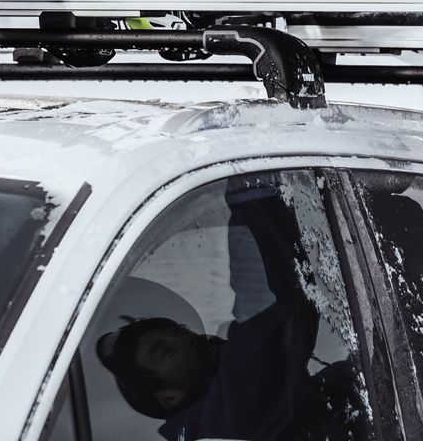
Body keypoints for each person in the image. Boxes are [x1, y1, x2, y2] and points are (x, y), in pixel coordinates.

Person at [95, 183, 365, 441]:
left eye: (173, 329)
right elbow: (266, 315)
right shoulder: (224, 423)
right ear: (169, 398)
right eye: (165, 351)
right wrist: (248, 188)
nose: (180, 338)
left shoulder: (229, 409)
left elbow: (325, 396)